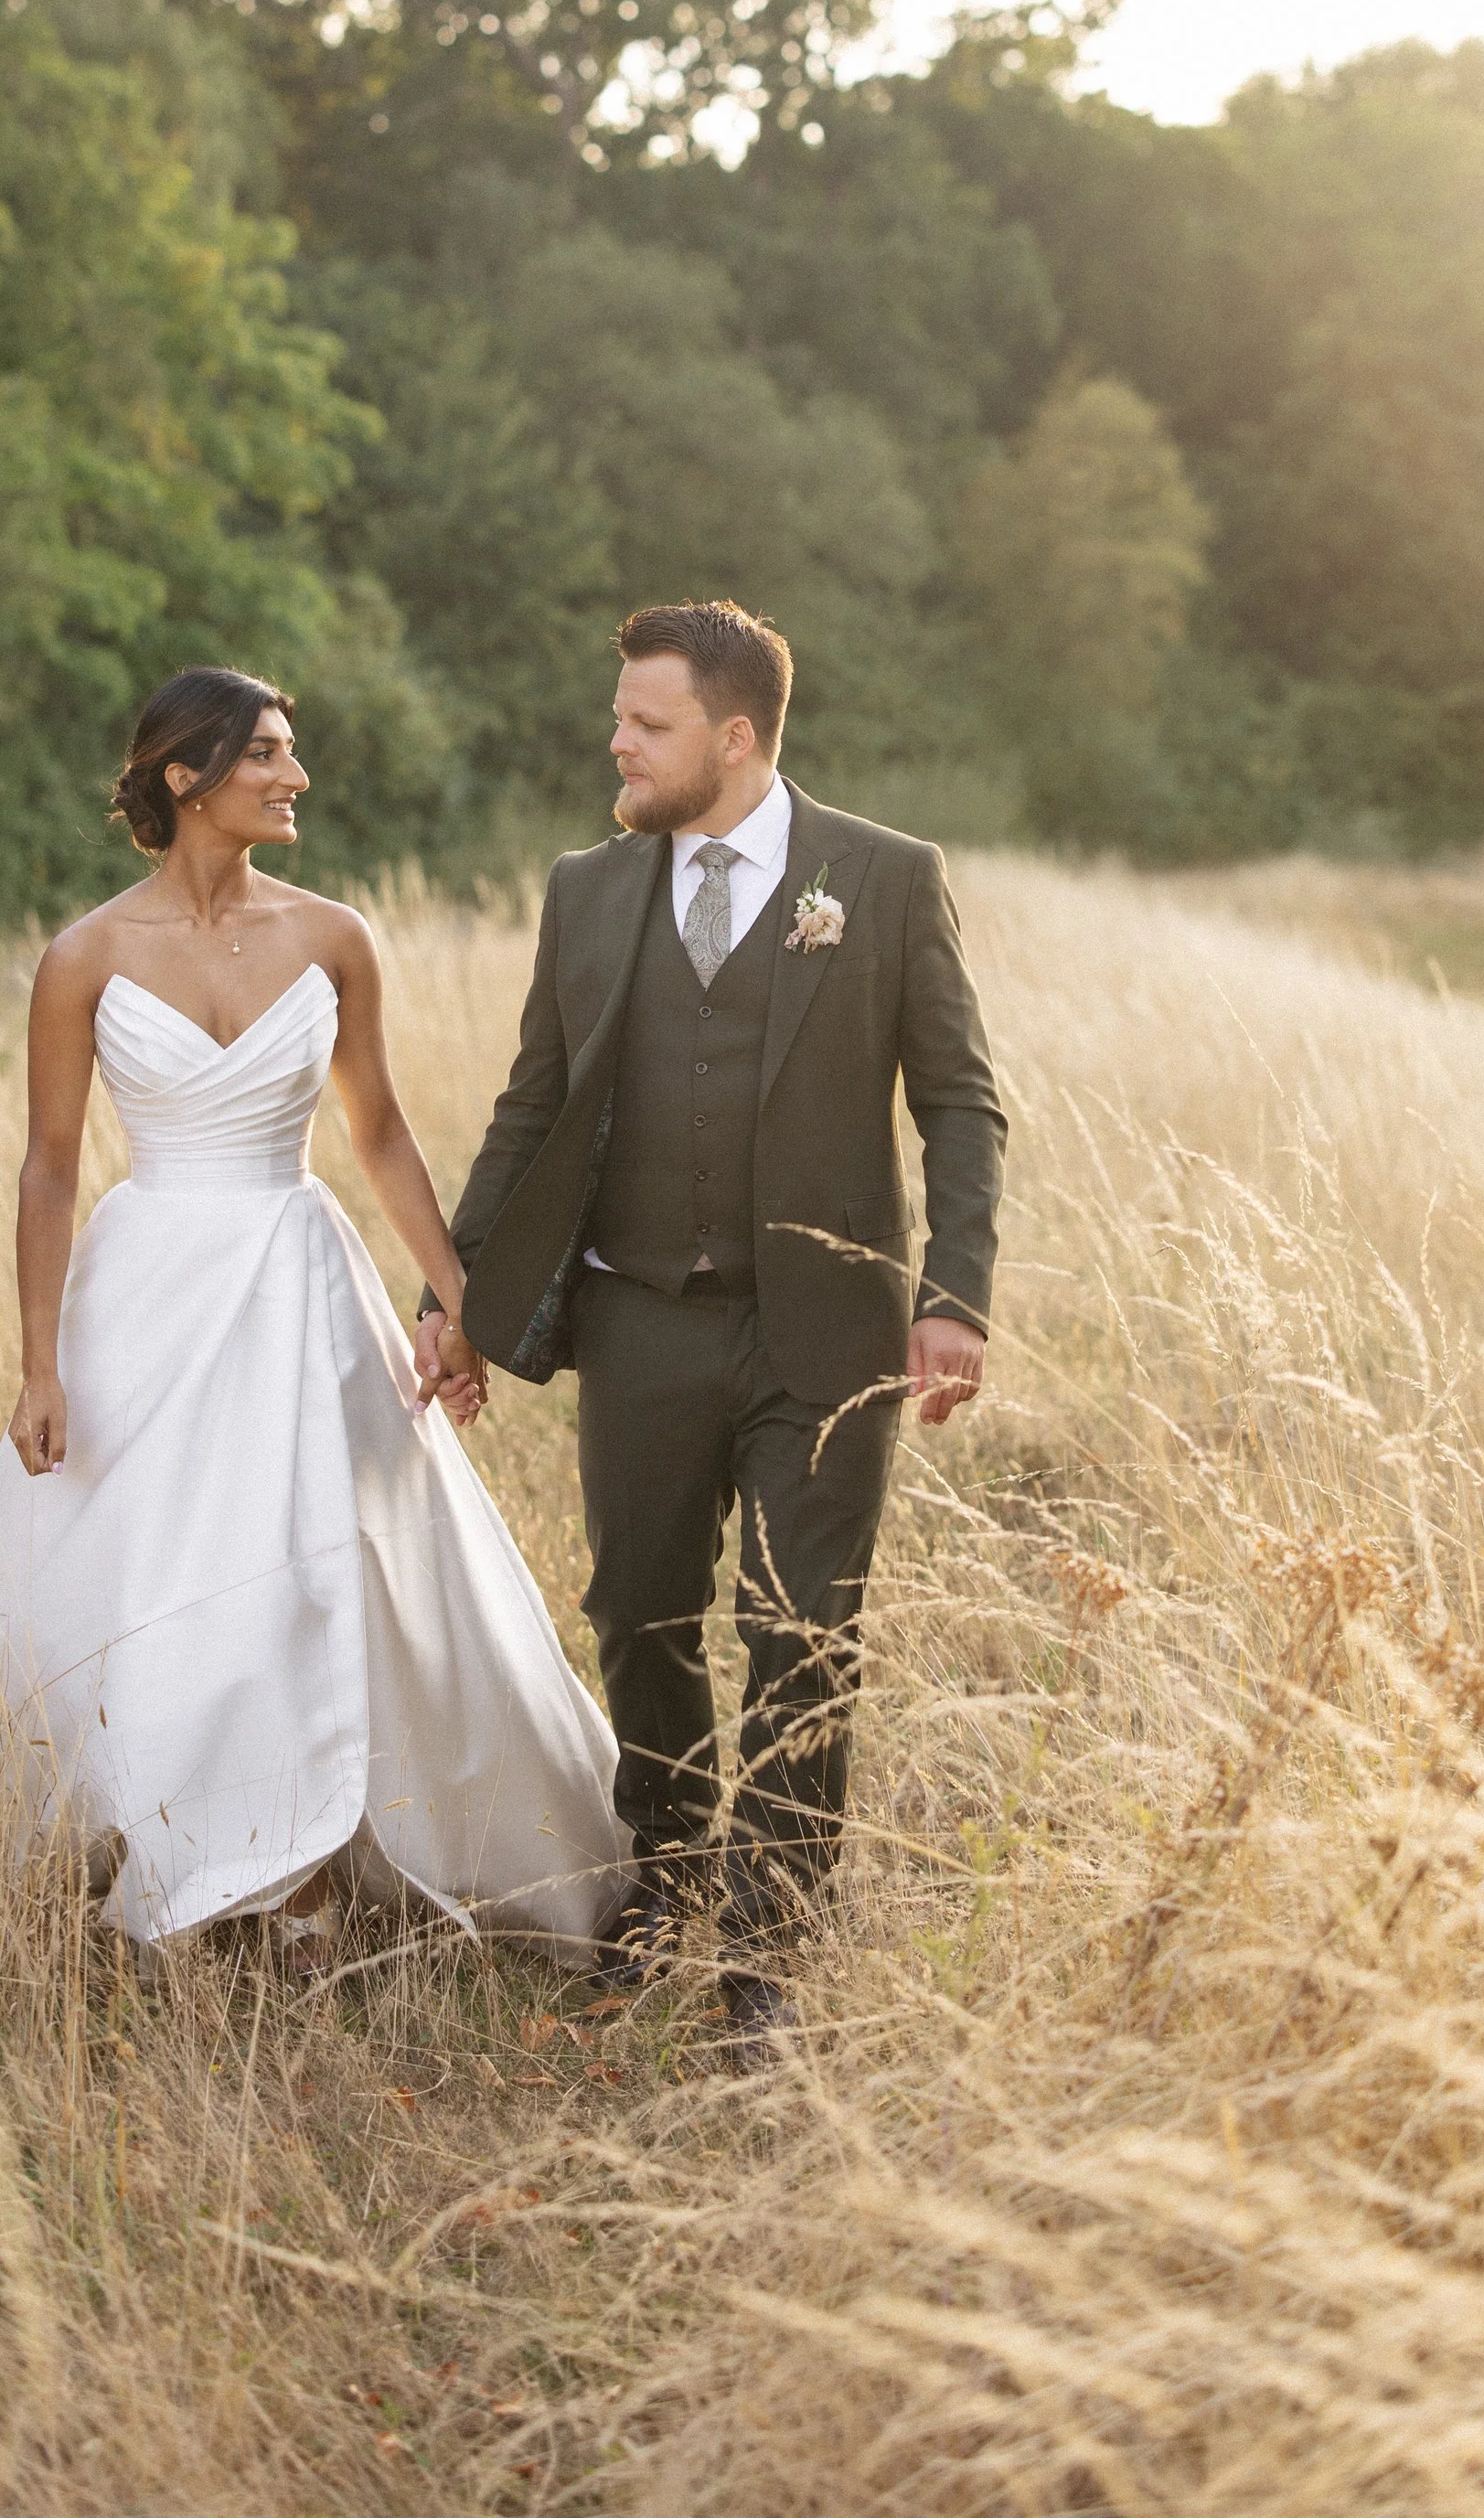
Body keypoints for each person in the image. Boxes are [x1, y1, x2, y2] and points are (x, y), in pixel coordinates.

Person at [0, 667, 627, 1971]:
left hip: (297, 1278)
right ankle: (197, 1862)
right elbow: (47, 1164)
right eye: (266, 753)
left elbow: (378, 1132)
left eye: (290, 751)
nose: (294, 775)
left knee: (313, 1571)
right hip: (146, 1293)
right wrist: (38, 1360)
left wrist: (458, 1308)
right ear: (185, 774)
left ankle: (311, 1878)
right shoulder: (83, 957)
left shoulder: (335, 937)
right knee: (169, 1581)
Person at [417, 601, 1006, 2062]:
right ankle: (670, 1877)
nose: (616, 742)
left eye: (648, 723)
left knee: (805, 1632)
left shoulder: (882, 877)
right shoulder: (588, 889)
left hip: (825, 1327)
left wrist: (955, 1295)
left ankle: (773, 1945)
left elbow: (960, 1101)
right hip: (638, 1322)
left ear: (733, 738)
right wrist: (459, 1291)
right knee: (642, 1618)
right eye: (620, 718)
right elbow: (531, 1105)